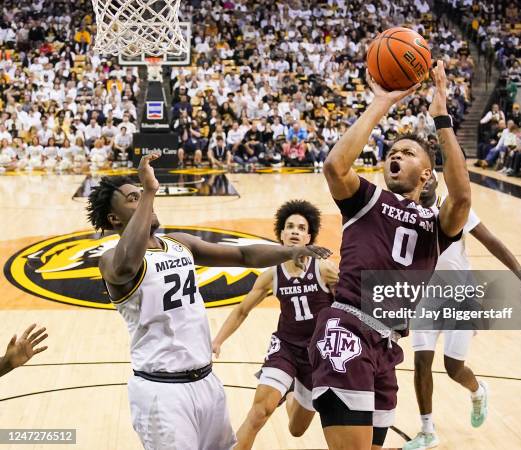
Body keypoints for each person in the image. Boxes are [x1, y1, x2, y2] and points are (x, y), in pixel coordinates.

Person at [87, 153, 331, 450]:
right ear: (115, 219)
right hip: (161, 391)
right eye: (133, 199)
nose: (146, 202)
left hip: (205, 381)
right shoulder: (111, 259)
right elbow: (127, 265)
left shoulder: (180, 243)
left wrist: (290, 253)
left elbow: (243, 256)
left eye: (143, 195)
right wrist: (149, 191)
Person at [310, 60, 471, 450]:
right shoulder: (366, 199)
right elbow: (334, 166)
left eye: (407, 152)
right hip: (346, 328)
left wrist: (442, 118)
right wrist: (381, 102)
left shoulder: (435, 225)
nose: (394, 155)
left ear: (427, 174)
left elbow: (463, 196)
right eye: (392, 152)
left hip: (386, 345)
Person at [403, 173, 521, 450]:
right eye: (420, 178)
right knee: (421, 363)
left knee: (453, 367)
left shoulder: (455, 209)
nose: (425, 181)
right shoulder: (407, 214)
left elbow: (491, 241)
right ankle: (427, 430)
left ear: (435, 179)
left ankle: (478, 391)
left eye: (430, 175)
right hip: (426, 299)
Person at [213, 200, 339, 449]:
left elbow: (346, 309)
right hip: (286, 348)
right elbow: (241, 310)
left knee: (296, 429)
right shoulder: (272, 275)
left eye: (301, 228)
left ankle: (292, 389)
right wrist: (217, 340)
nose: (294, 231)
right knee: (260, 412)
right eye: (289, 226)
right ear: (281, 234)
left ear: (309, 237)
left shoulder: (324, 269)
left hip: (317, 355)